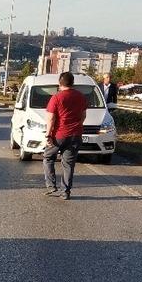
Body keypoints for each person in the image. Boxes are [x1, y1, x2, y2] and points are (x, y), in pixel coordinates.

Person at [43, 72, 88, 200]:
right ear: (73, 83)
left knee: (48, 157)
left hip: (59, 135)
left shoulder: (56, 98)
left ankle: (51, 186)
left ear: (59, 83)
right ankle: (66, 192)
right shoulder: (81, 97)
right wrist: (77, 126)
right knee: (68, 164)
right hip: (76, 135)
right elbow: (83, 116)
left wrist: (48, 135)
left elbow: (51, 119)